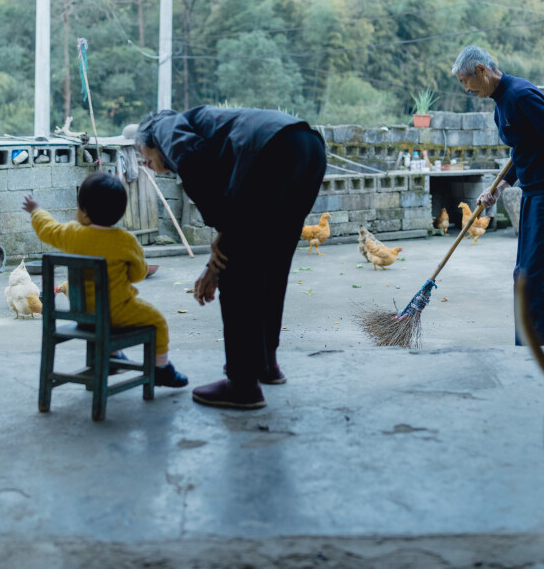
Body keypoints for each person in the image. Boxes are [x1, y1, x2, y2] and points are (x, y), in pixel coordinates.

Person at [135, 106, 326, 409]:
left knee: (239, 274)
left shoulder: (163, 125)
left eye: (142, 153)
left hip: (272, 149)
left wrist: (222, 240)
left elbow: (192, 161)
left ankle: (242, 384)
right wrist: (224, 242)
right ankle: (266, 365)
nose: (144, 162)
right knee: (270, 264)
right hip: (309, 147)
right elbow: (236, 216)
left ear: (150, 137)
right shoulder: (204, 128)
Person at [452, 45, 544, 346]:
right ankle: (524, 356)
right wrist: (500, 186)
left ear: (481, 70)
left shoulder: (520, 95)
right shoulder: (502, 102)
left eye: (464, 82)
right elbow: (524, 150)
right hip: (533, 196)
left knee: (540, 285)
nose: (466, 89)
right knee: (524, 279)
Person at [22, 172, 188, 387]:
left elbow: (48, 229)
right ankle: (161, 369)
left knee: (108, 316)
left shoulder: (71, 233)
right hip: (116, 313)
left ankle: (112, 358)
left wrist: (36, 211)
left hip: (82, 314)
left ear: (83, 211)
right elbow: (138, 275)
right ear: (119, 213)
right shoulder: (125, 241)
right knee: (157, 320)